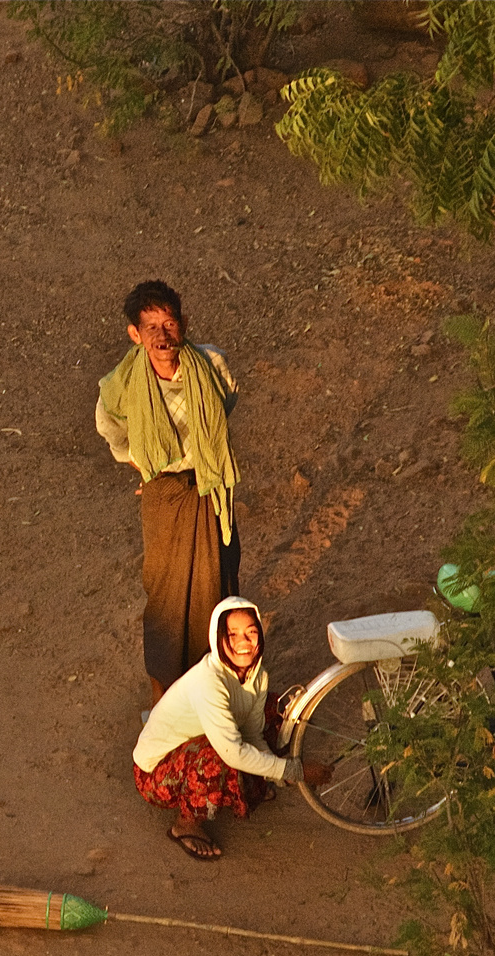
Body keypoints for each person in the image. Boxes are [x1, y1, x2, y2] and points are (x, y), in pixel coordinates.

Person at [96, 280, 243, 704]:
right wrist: (140, 460)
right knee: (164, 594)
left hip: (210, 486)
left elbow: (224, 403)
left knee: (217, 584)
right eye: (151, 327)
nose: (163, 336)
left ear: (183, 325)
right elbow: (109, 427)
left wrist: (204, 447)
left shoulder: (211, 364)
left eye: (169, 323)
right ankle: (166, 699)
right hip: (163, 491)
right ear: (135, 335)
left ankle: (219, 693)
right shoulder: (120, 385)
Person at [132, 597, 331, 859]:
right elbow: (233, 753)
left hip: (200, 746)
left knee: (271, 710)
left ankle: (251, 782)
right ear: (218, 638)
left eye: (251, 632)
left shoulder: (257, 677)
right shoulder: (208, 682)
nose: (243, 642)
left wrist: (281, 775)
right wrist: (296, 770)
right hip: (154, 773)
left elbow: (251, 733)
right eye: (232, 634)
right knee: (217, 757)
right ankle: (185, 825)